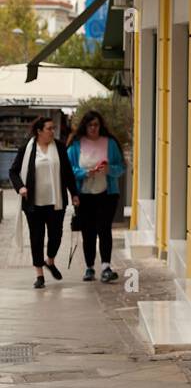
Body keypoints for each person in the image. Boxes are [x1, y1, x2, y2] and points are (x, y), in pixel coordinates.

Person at [10, 116, 79, 289]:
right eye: (49, 128)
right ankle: (39, 274)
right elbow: (13, 172)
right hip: (33, 203)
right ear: (39, 131)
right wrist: (20, 188)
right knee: (36, 237)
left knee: (56, 235)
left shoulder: (60, 147)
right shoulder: (27, 148)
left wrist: (74, 194)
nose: (52, 131)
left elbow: (68, 173)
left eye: (53, 128)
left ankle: (50, 260)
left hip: (56, 201)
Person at [67, 110, 125, 282]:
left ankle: (106, 266)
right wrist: (85, 173)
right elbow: (69, 170)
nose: (93, 128)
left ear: (101, 126)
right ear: (85, 126)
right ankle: (89, 267)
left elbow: (121, 166)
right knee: (88, 232)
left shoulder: (110, 143)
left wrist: (109, 170)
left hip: (107, 193)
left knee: (104, 229)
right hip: (84, 195)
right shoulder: (76, 145)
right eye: (90, 125)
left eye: (96, 125)